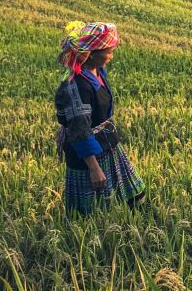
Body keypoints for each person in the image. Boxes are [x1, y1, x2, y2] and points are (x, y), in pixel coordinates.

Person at [55, 21, 146, 215]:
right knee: (88, 211)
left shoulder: (97, 72)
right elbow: (80, 130)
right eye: (109, 52)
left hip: (109, 144)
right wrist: (94, 169)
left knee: (136, 196)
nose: (112, 57)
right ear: (91, 54)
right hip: (87, 155)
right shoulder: (76, 86)